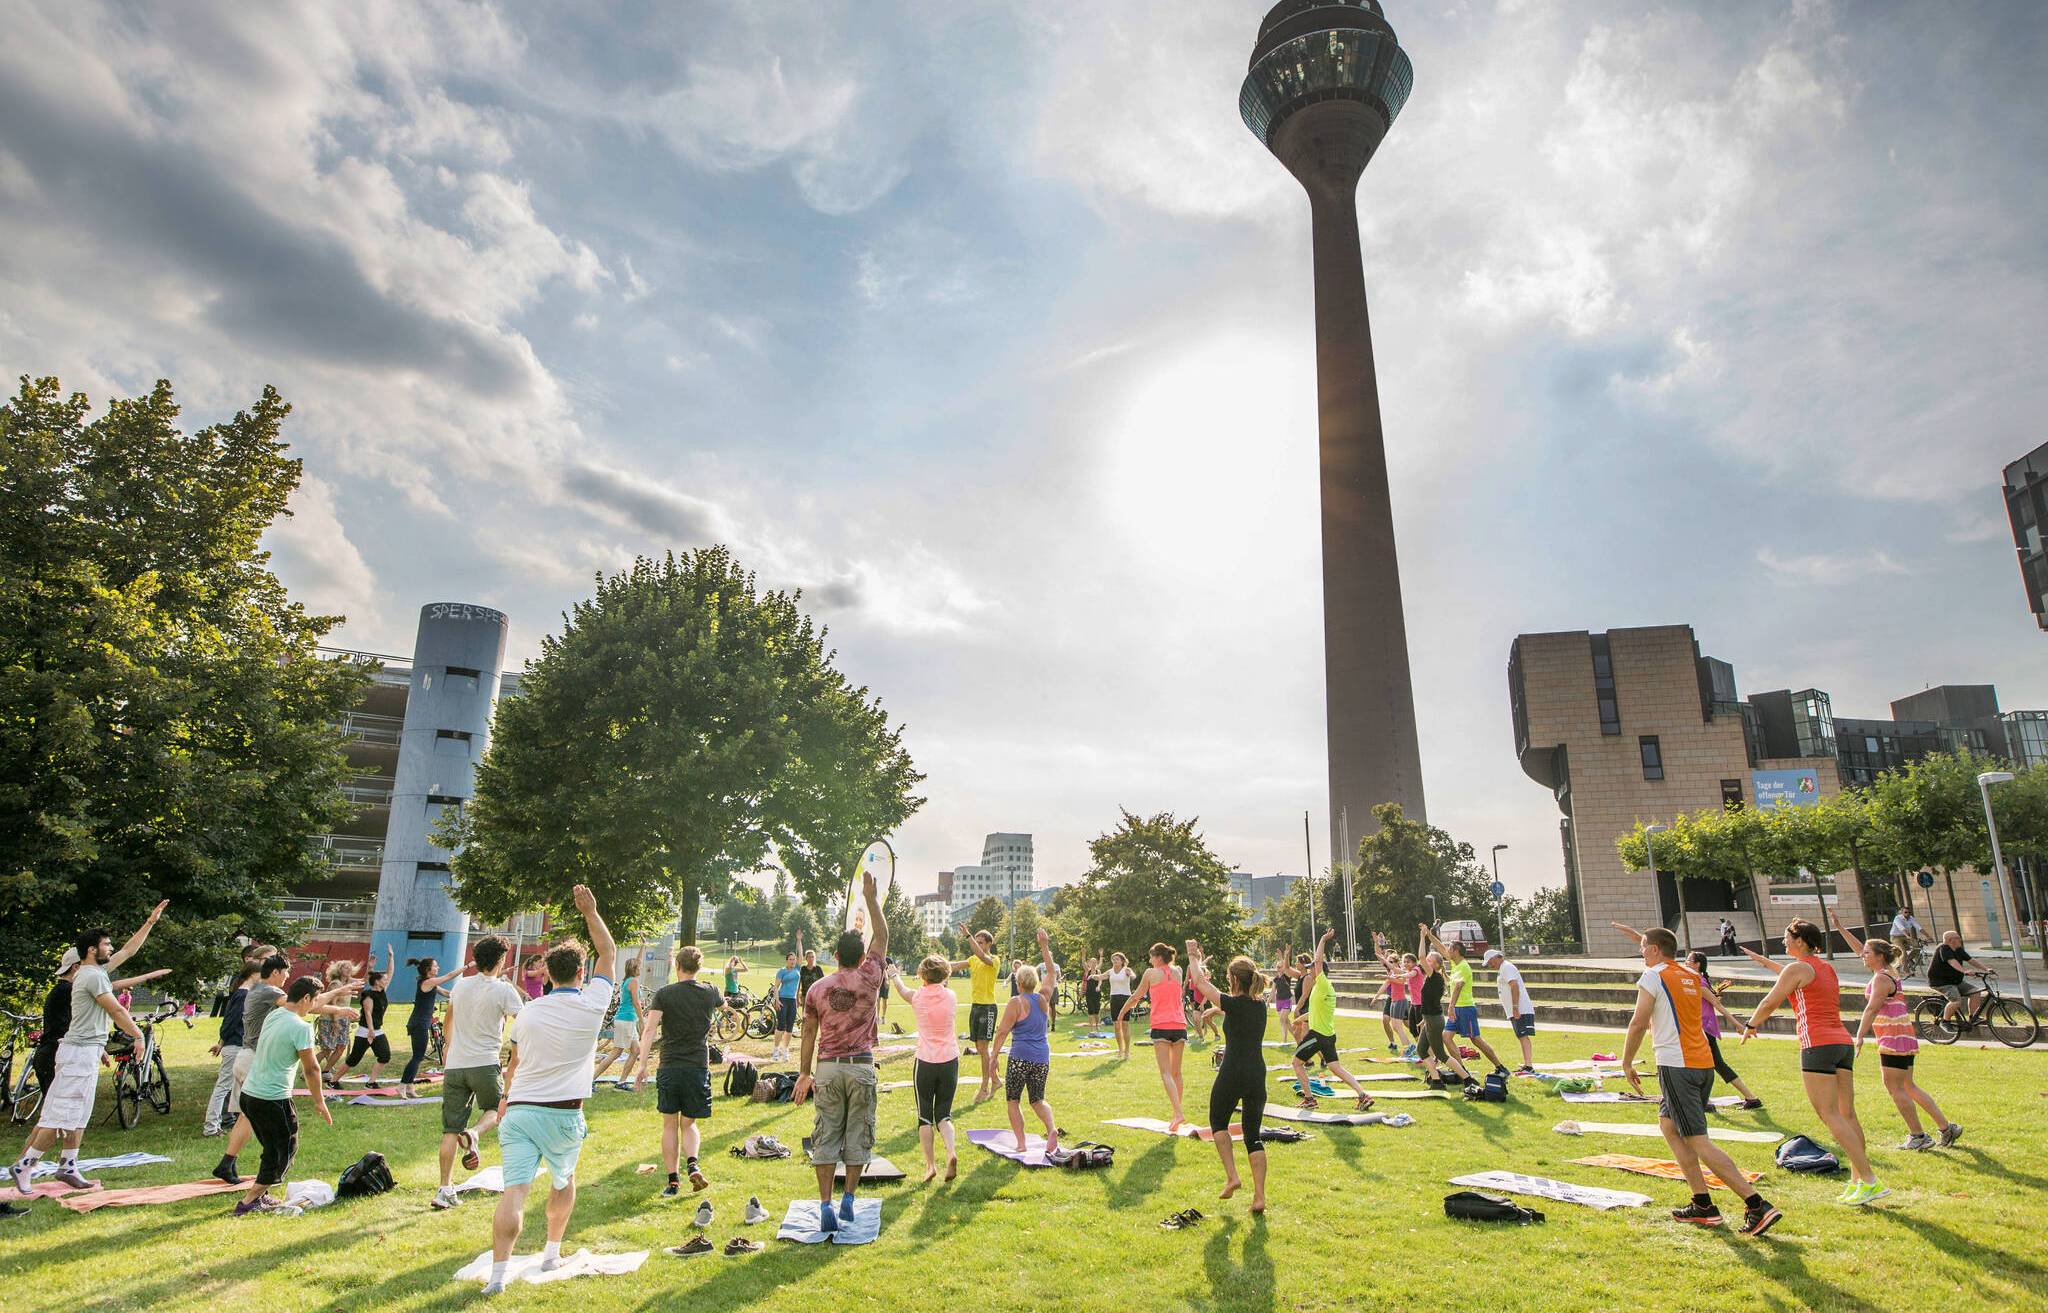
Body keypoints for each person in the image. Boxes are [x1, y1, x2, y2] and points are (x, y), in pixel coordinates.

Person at [483, 884, 618, 1297]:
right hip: (562, 1112)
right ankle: (550, 1253)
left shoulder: (529, 1012)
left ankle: (498, 1277)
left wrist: (504, 1100)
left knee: (515, 1190)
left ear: (547, 974)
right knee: (563, 1181)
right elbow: (609, 954)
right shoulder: (593, 1002)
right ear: (581, 973)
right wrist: (591, 912)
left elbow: (514, 1063)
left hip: (521, 1109)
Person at [1619, 928, 1782, 1236]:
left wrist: (1626, 1062)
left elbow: (1639, 1020)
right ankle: (1702, 1204)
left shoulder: (1654, 976)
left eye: (1643, 947)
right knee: (1668, 1126)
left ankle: (1756, 1204)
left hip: (1677, 1065)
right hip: (1702, 1063)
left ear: (1654, 950)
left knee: (1696, 1139)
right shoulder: (1689, 975)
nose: (1641, 952)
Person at [9, 904, 167, 1196]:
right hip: (77, 1053)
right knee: (61, 1116)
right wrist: (138, 1036)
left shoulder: (97, 971)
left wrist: (149, 922)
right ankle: (25, 1166)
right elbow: (116, 1009)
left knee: (78, 1113)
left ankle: (68, 1165)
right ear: (92, 950)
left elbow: (129, 951)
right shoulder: (92, 976)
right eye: (106, 944)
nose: (112, 948)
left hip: (86, 1050)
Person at [1740, 920, 1886, 1204]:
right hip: (1840, 1042)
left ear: (1800, 941)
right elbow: (1791, 978)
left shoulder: (1797, 968)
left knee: (1828, 1113)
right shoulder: (1824, 967)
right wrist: (1762, 962)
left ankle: (1869, 1179)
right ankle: (1858, 1180)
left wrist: (1751, 1024)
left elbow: (1771, 1001)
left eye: (1786, 937)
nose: (1783, 942)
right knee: (1847, 1114)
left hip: (1817, 1043)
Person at [791, 867, 888, 1235]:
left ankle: (826, 1203)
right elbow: (882, 934)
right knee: (858, 1134)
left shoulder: (818, 988)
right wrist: (871, 899)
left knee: (826, 1136)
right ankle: (849, 1198)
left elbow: (808, 1033)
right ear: (863, 955)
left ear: (834, 955)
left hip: (828, 1068)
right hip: (861, 1065)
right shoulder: (871, 976)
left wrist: (804, 1073)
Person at [213, 956, 358, 1185]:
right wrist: (339, 1000)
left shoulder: (264, 994)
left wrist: (339, 1008)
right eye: (286, 972)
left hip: (248, 1058)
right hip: (256, 1060)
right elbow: (306, 1006)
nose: (288, 977)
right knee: (276, 1134)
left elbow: (307, 1003)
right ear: (275, 973)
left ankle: (227, 1163)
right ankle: (260, 1176)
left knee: (247, 1117)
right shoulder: (268, 993)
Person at [1844, 928, 1960, 1151]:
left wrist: (1859, 1036)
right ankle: (1947, 1128)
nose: (1863, 955)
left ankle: (1918, 1136)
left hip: (1893, 1037)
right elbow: (1861, 949)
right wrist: (1840, 928)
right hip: (1902, 1036)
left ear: (1879, 956)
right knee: (1908, 1086)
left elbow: (1871, 1009)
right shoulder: (1889, 971)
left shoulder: (1881, 978)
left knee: (1894, 1087)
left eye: (1867, 953)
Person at [432, 935, 524, 1211]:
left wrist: (448, 1047)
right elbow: (526, 1022)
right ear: (501, 960)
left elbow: (448, 1021)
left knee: (450, 1129)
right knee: (497, 1110)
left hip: (456, 1065)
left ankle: (444, 1189)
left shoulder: (460, 986)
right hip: (484, 1062)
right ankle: (473, 1134)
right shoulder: (504, 990)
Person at [233, 975, 333, 1216]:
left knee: (271, 1146)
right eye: (315, 1000)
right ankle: (249, 1202)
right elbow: (312, 1068)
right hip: (271, 1098)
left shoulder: (274, 1015)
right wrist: (319, 1101)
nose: (315, 1006)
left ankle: (262, 1195)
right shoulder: (301, 1027)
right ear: (306, 998)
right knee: (285, 1148)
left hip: (250, 1095)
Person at [1188, 941, 1268, 1213]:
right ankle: (1259, 1197)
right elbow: (1239, 1010)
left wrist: (1192, 954)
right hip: (1257, 1073)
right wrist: (1219, 1009)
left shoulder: (1232, 1003)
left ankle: (1233, 1176)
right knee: (1253, 1135)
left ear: (1234, 979)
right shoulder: (1261, 1007)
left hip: (1233, 1070)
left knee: (1218, 1122)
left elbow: (1198, 981)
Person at [644, 945, 722, 1198]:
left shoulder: (665, 994)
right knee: (688, 1124)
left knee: (669, 1125)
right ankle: (693, 1165)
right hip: (697, 1066)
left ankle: (673, 1182)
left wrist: (642, 1065)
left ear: (677, 967)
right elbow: (724, 1007)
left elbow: (649, 1030)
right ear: (698, 967)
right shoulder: (710, 991)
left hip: (670, 1065)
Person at [1286, 929, 1377, 1111]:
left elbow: (1318, 960)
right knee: (1336, 1068)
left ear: (1319, 971)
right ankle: (1363, 1095)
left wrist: (1322, 939)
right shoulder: (1325, 989)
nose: (1310, 968)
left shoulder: (1321, 983)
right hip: (1328, 1035)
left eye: (1312, 967)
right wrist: (1299, 1020)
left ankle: (1310, 1099)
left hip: (1317, 1034)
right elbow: (1315, 1014)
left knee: (1296, 1063)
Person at [888, 954, 960, 1182]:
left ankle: (930, 1166)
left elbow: (902, 989)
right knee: (944, 1115)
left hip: (926, 1062)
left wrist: (893, 974)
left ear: (922, 975)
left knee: (924, 1117)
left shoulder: (918, 996)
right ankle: (951, 1152)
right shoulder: (951, 996)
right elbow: (940, 984)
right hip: (949, 1060)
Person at [990, 928, 1058, 1157]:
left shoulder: (1015, 1002)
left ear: (1018, 982)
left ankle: (1021, 1143)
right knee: (1038, 1099)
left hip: (1020, 1058)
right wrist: (1044, 946)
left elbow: (1001, 1033)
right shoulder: (1043, 998)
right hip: (1042, 1058)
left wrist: (993, 1058)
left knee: (1013, 1100)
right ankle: (1051, 1129)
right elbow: (1052, 972)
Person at [1119, 942, 1191, 1131]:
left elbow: (1136, 996)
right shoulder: (1178, 971)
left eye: (1151, 957)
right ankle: (1177, 1113)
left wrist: (1121, 1013)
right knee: (1177, 1073)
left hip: (1161, 1026)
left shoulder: (1151, 974)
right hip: (1179, 1025)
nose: (1150, 960)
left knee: (1166, 1073)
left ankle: (1178, 1113)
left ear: (1158, 957)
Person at [1420, 923, 1509, 1073]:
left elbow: (1458, 986)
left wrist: (1451, 1006)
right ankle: (1461, 1069)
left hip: (1465, 1008)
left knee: (1476, 1040)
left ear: (1455, 951)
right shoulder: (1455, 964)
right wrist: (1428, 934)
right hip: (1457, 1009)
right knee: (1446, 1037)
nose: (1446, 950)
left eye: (1450, 948)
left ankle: (1500, 1067)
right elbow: (1440, 947)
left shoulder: (1464, 966)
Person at [204, 962, 262, 1136]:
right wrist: (222, 1043)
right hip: (235, 1047)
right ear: (253, 974)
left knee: (237, 1089)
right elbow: (230, 1022)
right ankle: (210, 1127)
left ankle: (233, 1124)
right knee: (223, 1087)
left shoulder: (243, 994)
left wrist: (220, 1043)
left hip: (237, 1046)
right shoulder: (243, 995)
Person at [399, 956, 465, 1098]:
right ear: (429, 969)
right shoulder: (427, 982)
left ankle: (409, 1087)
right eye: (436, 966)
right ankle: (402, 1086)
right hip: (419, 1023)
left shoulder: (432, 984)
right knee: (417, 1057)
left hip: (421, 1023)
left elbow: (448, 993)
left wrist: (463, 995)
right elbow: (449, 976)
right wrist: (467, 966)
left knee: (418, 1056)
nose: (438, 968)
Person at [332, 946, 397, 1088]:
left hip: (377, 1030)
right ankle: (333, 1081)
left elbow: (390, 973)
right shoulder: (369, 995)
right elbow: (367, 1013)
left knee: (385, 1056)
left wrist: (391, 957)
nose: (387, 980)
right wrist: (371, 1032)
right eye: (384, 979)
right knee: (353, 1060)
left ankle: (371, 1082)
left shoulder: (382, 991)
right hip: (366, 1031)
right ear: (377, 981)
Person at [949, 928, 1002, 1099]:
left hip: (988, 1008)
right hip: (976, 1006)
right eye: (976, 941)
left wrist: (968, 936)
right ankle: (995, 1080)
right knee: (980, 1048)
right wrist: (933, 963)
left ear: (988, 944)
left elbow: (982, 956)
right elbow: (955, 966)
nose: (978, 945)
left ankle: (984, 1087)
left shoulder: (993, 960)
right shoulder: (973, 959)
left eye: (980, 942)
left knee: (984, 1048)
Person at [1413, 951, 1477, 1089]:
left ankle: (1467, 1079)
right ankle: (1436, 1081)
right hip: (1430, 1019)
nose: (1426, 963)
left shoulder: (1435, 976)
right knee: (1422, 1050)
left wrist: (1423, 935)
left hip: (1434, 1021)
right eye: (1427, 961)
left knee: (1440, 1054)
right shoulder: (1433, 978)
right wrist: (1424, 1020)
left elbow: (1421, 957)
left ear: (1436, 965)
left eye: (1430, 961)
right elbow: (1430, 1002)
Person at [593, 948, 646, 1088]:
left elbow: (637, 960)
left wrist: (643, 945)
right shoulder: (633, 981)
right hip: (626, 1019)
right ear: (635, 968)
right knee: (617, 1051)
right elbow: (636, 1002)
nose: (641, 967)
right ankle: (591, 1080)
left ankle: (621, 1082)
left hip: (627, 1019)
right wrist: (642, 1020)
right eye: (639, 966)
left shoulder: (629, 979)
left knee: (636, 1051)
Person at [1484, 949, 1538, 1073]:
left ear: (1496, 958)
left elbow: (1514, 986)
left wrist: (1515, 1007)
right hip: (1516, 1009)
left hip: (1520, 1009)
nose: (1490, 965)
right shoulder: (1503, 968)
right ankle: (1527, 1064)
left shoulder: (1506, 967)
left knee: (1523, 1036)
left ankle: (1529, 1066)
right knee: (1521, 1035)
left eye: (1490, 962)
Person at [1927, 931, 1991, 1026]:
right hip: (1942, 983)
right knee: (1956, 1001)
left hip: (1955, 981)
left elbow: (1971, 960)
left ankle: (1973, 1017)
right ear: (1950, 940)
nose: (1960, 939)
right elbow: (1952, 962)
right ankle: (1945, 1022)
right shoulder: (1944, 948)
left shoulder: (1958, 949)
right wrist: (1964, 971)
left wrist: (1986, 969)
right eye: (1957, 938)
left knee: (1975, 992)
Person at [315, 957, 363, 1077]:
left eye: (349, 967)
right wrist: (335, 1021)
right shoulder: (336, 984)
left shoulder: (349, 982)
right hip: (329, 1019)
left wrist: (371, 967)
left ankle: (326, 1071)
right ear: (339, 969)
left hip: (343, 1019)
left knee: (341, 1046)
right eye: (345, 967)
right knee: (327, 1048)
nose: (348, 969)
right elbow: (332, 1003)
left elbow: (363, 980)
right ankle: (308, 1071)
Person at [1370, 939, 1413, 1055]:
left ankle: (1410, 1047)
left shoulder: (1400, 971)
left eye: (1390, 961)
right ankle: (1409, 1046)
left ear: (1395, 962)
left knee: (1400, 1026)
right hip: (1394, 1000)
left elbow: (1401, 982)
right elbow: (1386, 984)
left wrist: (1387, 977)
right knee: (1395, 1026)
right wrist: (1376, 997)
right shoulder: (1392, 972)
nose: (1388, 963)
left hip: (1400, 1001)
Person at [771, 946, 803, 1062]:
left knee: (789, 1028)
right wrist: (777, 1000)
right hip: (782, 1000)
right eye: (790, 959)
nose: (793, 961)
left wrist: (799, 941)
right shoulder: (782, 971)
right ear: (787, 960)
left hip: (792, 1001)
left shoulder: (798, 969)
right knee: (781, 1026)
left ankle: (784, 1050)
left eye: (794, 959)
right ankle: (775, 1050)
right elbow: (776, 987)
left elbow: (801, 954)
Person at [1102, 951, 1136, 1060]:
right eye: (1113, 959)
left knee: (1125, 1024)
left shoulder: (1126, 970)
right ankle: (1120, 1050)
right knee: (1116, 1026)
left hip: (1125, 998)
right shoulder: (1110, 971)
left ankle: (1127, 1051)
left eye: (1117, 959)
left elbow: (1133, 976)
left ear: (1122, 961)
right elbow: (1101, 977)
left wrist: (1130, 974)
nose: (1115, 961)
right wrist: (1093, 976)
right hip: (1114, 998)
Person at [1082, 955, 1103, 1028]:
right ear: (1089, 963)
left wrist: (1098, 986)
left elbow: (1100, 980)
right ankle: (1091, 1028)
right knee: (1090, 1011)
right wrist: (1083, 954)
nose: (1093, 964)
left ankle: (1097, 1026)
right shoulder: (1088, 971)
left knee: (1096, 1011)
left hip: (1097, 993)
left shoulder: (1098, 971)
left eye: (1094, 962)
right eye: (1091, 962)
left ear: (1096, 963)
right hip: (1089, 993)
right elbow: (1083, 963)